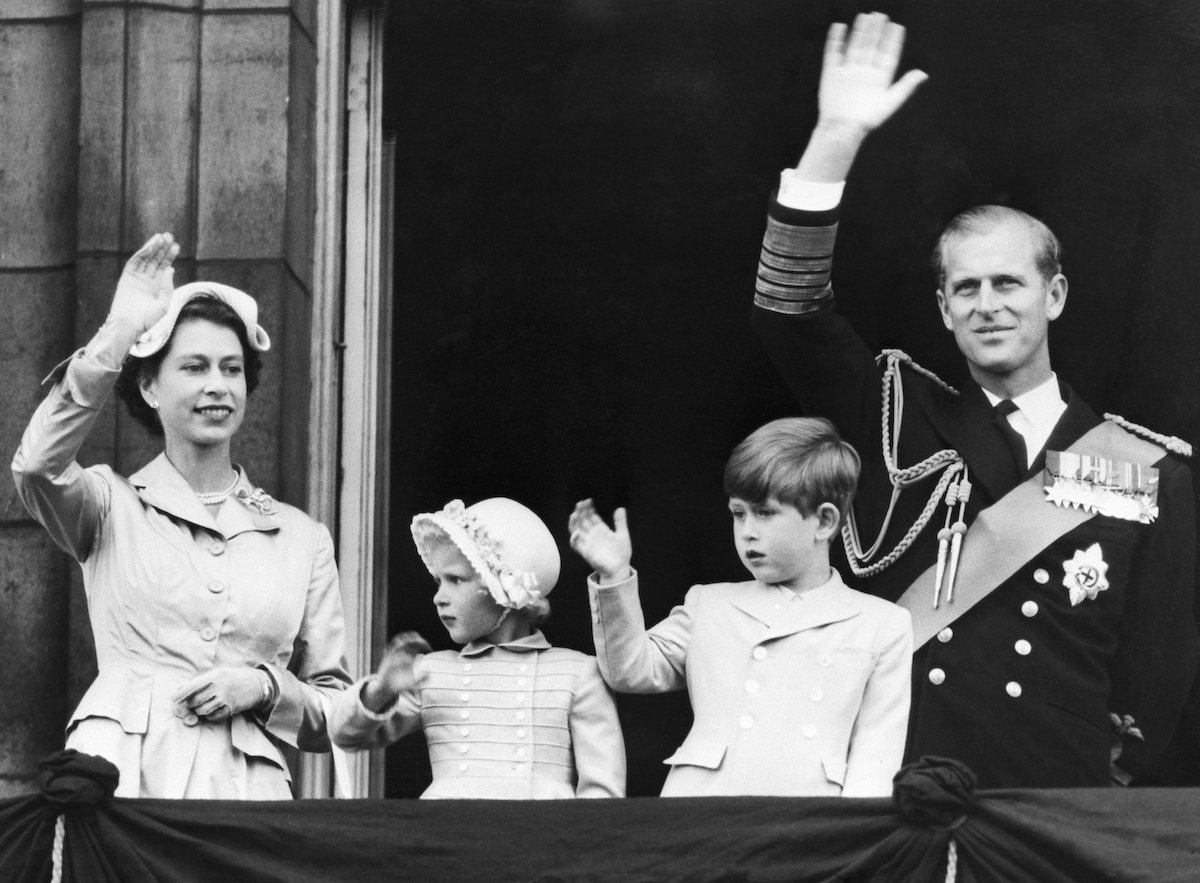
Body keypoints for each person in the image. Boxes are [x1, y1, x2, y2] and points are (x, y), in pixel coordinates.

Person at [751, 12, 1198, 787]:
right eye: (966, 287)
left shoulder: (1148, 469)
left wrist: (1104, 780)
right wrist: (836, 138)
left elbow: (1156, 670)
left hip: (1055, 798)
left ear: (1053, 295)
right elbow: (788, 314)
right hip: (898, 782)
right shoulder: (894, 409)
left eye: (1008, 282)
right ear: (944, 308)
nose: (988, 304)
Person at [12, 233, 351, 799]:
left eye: (232, 369)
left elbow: (338, 710)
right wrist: (119, 331)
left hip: (243, 799)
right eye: (194, 367)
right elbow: (36, 469)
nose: (217, 386)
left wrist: (265, 688)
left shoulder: (302, 538)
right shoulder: (108, 504)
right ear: (148, 385)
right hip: (121, 780)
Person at [569, 417, 912, 797]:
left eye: (765, 513)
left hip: (808, 820)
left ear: (824, 521)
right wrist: (615, 576)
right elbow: (630, 671)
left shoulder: (881, 624)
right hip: (701, 810)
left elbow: (875, 757)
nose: (747, 530)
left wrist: (848, 843)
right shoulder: (710, 604)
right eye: (738, 513)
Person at [330, 497, 626, 799]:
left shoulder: (576, 674)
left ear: (504, 588)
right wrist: (381, 690)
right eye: (438, 582)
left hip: (538, 838)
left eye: (456, 580)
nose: (439, 597)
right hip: (449, 834)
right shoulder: (431, 671)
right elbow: (345, 737)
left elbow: (602, 798)